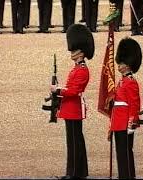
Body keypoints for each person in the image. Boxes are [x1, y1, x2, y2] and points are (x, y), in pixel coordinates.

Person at [50, 24, 94, 179]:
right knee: (74, 141)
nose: (71, 52)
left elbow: (74, 91)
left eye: (74, 50)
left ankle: (74, 173)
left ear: (81, 53)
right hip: (70, 108)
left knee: (75, 142)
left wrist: (58, 91)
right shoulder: (76, 68)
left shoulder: (82, 70)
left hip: (74, 108)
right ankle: (79, 171)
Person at [110, 37, 142, 179]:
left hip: (125, 123)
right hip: (118, 122)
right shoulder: (122, 81)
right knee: (121, 153)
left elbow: (134, 104)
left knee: (126, 153)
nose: (119, 66)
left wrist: (132, 123)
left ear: (128, 64)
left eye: (122, 63)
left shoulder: (130, 82)